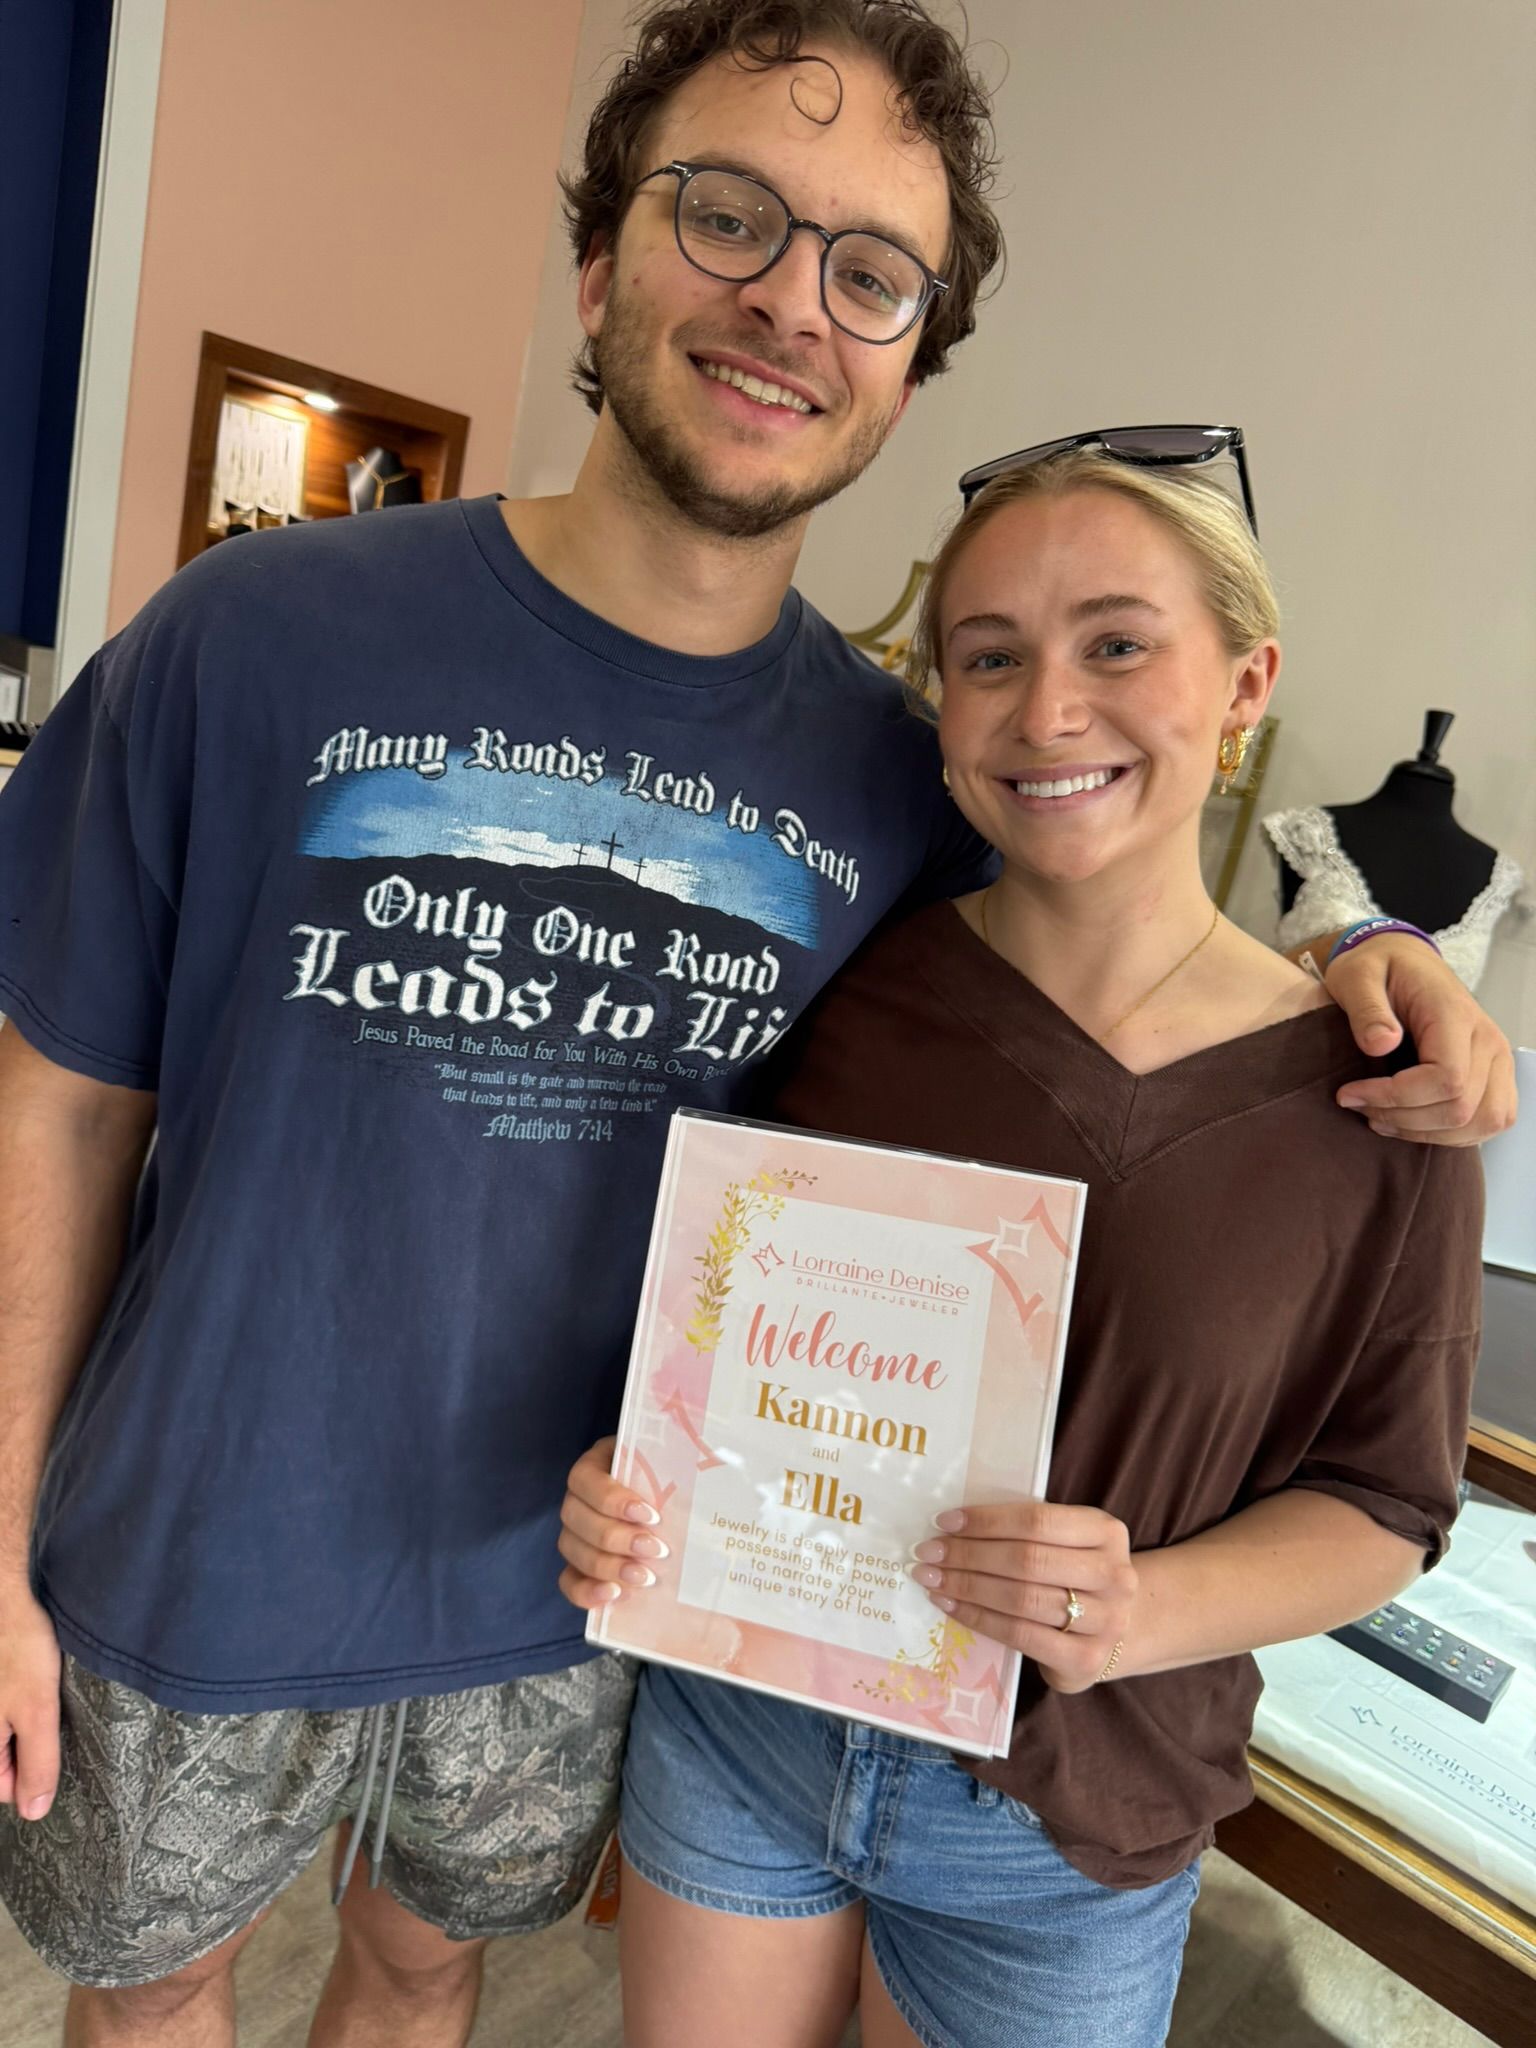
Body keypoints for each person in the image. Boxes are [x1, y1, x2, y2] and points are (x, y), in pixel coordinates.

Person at [0, 0, 1508, 2041]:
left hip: (582, 1581)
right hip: (190, 1531)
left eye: (869, 269)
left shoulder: (903, 783)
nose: (791, 300)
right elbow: (61, 1103)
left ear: (909, 351)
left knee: (423, 1971)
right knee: (151, 1991)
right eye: (726, 216)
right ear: (602, 253)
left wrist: (1360, 953)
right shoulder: (249, 636)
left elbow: (1113, 949)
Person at [555, 443, 1485, 2048]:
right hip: (743, 1729)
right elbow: (714, 1317)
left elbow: (1392, 1502)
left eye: (1119, 643)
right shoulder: (843, 987)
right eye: (989, 656)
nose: (1049, 712)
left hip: (1072, 1821)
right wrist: (636, 1476)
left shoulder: (1379, 1099)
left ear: (1246, 678)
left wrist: (1144, 1607)